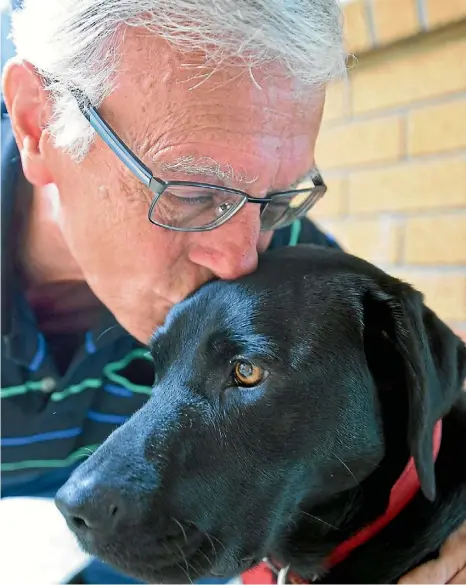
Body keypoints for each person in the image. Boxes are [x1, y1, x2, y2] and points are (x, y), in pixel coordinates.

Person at [1, 1, 464, 584]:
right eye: (194, 194)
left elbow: (423, 359)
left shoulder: (284, 260)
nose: (242, 257)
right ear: (39, 126)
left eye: (276, 195)